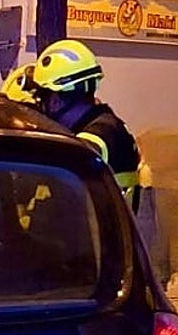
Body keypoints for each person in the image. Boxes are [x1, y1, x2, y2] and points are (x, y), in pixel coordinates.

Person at [28, 39, 141, 208]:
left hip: (102, 232)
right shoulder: (103, 123)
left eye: (42, 97)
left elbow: (74, 161)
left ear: (55, 100)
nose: (41, 106)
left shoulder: (102, 132)